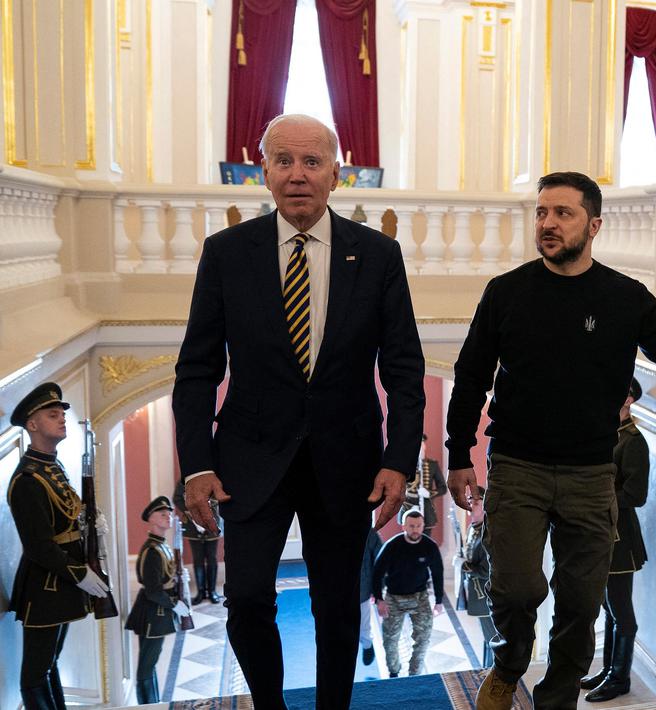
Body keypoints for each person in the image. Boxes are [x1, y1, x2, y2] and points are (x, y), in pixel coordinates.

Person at [446, 171, 656, 710]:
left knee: (581, 608)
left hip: (590, 474)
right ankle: (511, 658)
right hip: (518, 466)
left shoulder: (625, 298)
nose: (548, 223)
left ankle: (556, 701)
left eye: (562, 213)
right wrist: (457, 455)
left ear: (595, 224)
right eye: (542, 213)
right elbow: (469, 377)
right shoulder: (506, 293)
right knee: (516, 590)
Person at [172, 113, 426, 709]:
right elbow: (197, 369)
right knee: (249, 601)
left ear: (338, 175)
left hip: (347, 462)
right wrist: (196, 465)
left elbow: (404, 371)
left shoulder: (380, 255)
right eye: (283, 161)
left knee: (339, 606)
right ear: (263, 172)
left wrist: (398, 460)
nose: (297, 175)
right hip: (249, 460)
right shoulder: (226, 254)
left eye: (312, 162)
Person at [6, 383, 110, 710]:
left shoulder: (52, 465)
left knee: (51, 663)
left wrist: (90, 521)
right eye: (53, 415)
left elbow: (67, 510)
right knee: (35, 675)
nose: (62, 419)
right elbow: (39, 547)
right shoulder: (28, 480)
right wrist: (79, 573)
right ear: (32, 425)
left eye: (62, 414)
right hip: (45, 587)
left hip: (62, 582)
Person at [581, 379, 651, 703]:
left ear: (629, 399)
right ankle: (608, 669)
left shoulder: (633, 442)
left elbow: (636, 495)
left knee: (622, 611)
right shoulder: (610, 435)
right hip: (603, 531)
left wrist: (599, 497)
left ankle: (619, 678)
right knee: (609, 607)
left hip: (620, 538)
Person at [125, 496, 191, 704]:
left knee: (150, 663)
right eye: (162, 513)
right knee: (146, 666)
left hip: (158, 612)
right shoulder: (152, 550)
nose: (168, 516)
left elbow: (166, 577)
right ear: (151, 519)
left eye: (169, 513)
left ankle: (154, 703)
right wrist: (174, 605)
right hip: (153, 614)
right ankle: (148, 705)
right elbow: (153, 590)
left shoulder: (161, 546)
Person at [374, 509, 445, 677]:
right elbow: (377, 572)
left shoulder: (430, 546)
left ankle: (414, 675)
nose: (415, 529)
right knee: (390, 640)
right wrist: (379, 599)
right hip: (394, 597)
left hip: (419, 597)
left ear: (423, 526)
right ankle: (393, 672)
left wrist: (439, 601)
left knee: (423, 638)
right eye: (411, 526)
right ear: (403, 526)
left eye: (419, 526)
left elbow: (437, 573)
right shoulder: (392, 546)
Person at [456, 485, 497, 668]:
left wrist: (464, 565)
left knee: (492, 639)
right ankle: (485, 670)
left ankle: (492, 674)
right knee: (486, 637)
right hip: (478, 593)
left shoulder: (488, 532)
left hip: (487, 594)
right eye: (469, 501)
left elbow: (487, 569)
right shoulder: (475, 528)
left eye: (476, 502)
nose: (471, 505)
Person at [173, 479, 222, 604]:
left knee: (212, 558)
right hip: (192, 524)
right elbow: (177, 498)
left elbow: (220, 495)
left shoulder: (214, 476)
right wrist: (193, 509)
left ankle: (212, 591)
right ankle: (200, 592)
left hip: (213, 521)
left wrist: (207, 507)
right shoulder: (185, 480)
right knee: (198, 558)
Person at [404, 434, 447, 539]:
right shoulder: (404, 465)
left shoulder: (432, 465)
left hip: (426, 511)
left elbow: (443, 488)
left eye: (422, 444)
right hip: (406, 508)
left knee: (426, 541)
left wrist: (429, 493)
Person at [358, 526, 384, 667]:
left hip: (362, 588)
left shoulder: (370, 534)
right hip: (338, 589)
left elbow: (379, 560)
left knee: (363, 625)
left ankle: (367, 646)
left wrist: (377, 589)